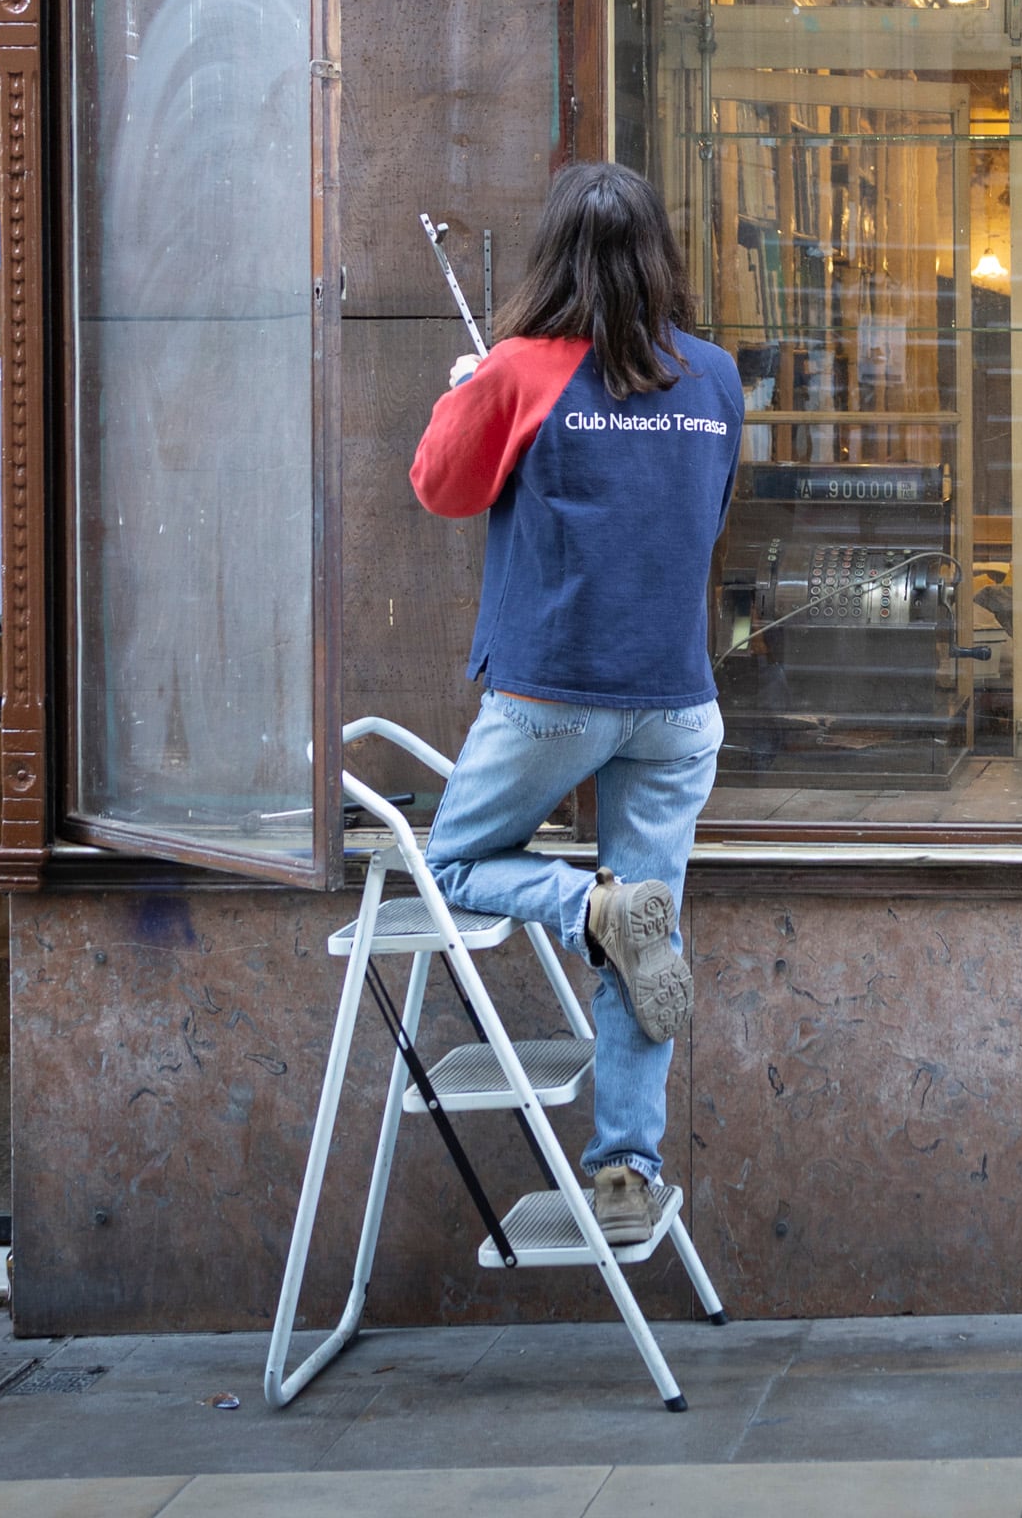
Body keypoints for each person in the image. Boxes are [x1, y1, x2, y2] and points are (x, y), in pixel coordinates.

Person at [406, 160, 741, 1247]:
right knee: (656, 935)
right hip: (677, 699)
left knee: (452, 863)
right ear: (657, 252)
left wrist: (471, 392)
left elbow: (439, 491)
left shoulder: (517, 372)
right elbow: (708, 506)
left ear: (553, 253)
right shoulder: (715, 376)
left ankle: (587, 909)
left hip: (552, 690)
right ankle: (628, 1169)